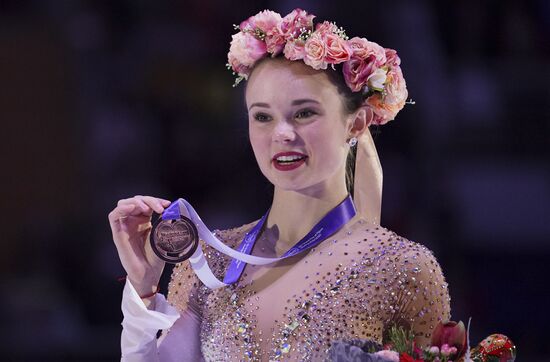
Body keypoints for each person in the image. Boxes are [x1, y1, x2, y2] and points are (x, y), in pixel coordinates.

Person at [108, 9, 451, 361]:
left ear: (357, 122)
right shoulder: (208, 263)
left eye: (304, 113)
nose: (282, 134)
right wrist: (143, 289)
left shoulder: (404, 269)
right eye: (262, 116)